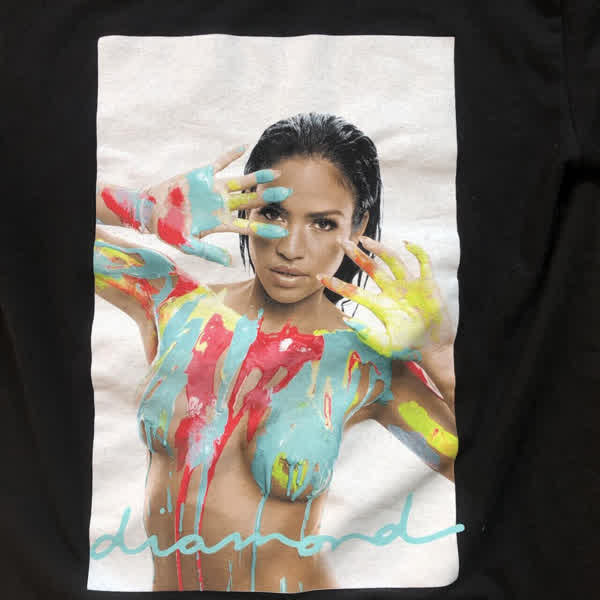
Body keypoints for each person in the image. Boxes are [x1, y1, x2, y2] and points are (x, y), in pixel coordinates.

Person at [93, 112, 458, 593]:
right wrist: (140, 209)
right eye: (272, 213)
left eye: (323, 223)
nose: (290, 247)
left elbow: (502, 474)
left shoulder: (368, 365)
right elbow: (31, 220)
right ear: (246, 210)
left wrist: (440, 355)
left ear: (358, 226)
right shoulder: (171, 303)